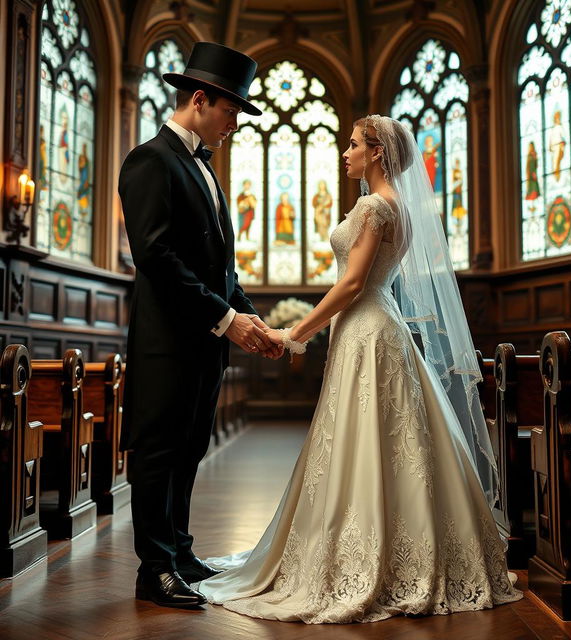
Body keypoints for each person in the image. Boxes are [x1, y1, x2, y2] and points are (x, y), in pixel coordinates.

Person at [198, 115, 522, 623]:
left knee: (370, 438)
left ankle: (373, 556)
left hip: (367, 327)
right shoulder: (402, 209)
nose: (345, 152)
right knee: (391, 441)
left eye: (352, 145)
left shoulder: (374, 206)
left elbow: (351, 286)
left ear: (376, 152)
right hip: (377, 326)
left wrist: (294, 334)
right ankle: (404, 544)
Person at [118, 42, 282, 610]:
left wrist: (249, 319)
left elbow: (220, 265)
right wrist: (224, 318)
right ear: (199, 99)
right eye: (232, 110)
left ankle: (181, 553)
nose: (235, 123)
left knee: (189, 448)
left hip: (205, 343)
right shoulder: (150, 160)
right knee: (158, 453)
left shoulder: (203, 167)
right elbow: (157, 258)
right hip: (167, 343)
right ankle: (155, 567)